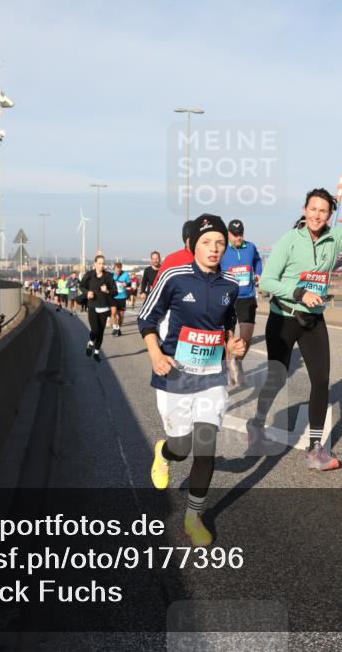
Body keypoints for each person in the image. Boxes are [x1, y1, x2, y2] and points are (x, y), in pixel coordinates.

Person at [246, 188, 342, 465]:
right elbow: (268, 281)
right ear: (304, 210)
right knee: (278, 378)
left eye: (323, 211)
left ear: (330, 215)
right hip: (284, 317)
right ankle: (257, 423)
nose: (317, 215)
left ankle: (315, 449)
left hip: (314, 319)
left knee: (320, 380)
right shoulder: (290, 240)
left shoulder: (336, 237)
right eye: (312, 209)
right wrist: (299, 293)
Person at [140, 214, 245, 546]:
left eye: (219, 243)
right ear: (193, 246)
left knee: (205, 448)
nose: (214, 249)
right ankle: (164, 452)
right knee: (182, 448)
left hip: (211, 377)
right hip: (175, 374)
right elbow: (147, 318)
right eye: (207, 242)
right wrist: (156, 355)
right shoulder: (174, 276)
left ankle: (193, 516)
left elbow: (227, 325)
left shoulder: (230, 284)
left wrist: (232, 344)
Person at [219, 219, 263, 386]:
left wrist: (258, 273)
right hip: (228, 298)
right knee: (226, 337)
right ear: (229, 234)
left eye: (241, 234)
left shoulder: (250, 247)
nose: (239, 238)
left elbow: (257, 261)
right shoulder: (222, 249)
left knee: (246, 337)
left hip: (247, 297)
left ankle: (237, 361)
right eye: (235, 235)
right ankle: (226, 366)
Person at [79, 255, 116, 363]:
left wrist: (107, 290)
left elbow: (115, 292)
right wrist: (87, 292)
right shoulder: (89, 275)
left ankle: (96, 353)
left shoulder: (109, 276)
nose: (101, 265)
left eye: (103, 263)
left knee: (101, 332)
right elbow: (81, 286)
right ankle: (90, 343)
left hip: (104, 307)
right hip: (92, 306)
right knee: (95, 329)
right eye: (99, 263)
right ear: (95, 264)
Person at [151, 221, 195, 288]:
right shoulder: (171, 260)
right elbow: (157, 286)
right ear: (185, 239)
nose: (194, 240)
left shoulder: (210, 259)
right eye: (191, 237)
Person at [110, 262, 131, 337]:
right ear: (114, 269)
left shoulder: (125, 274)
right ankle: (115, 327)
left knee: (121, 315)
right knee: (113, 313)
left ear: (121, 269)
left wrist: (126, 284)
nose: (117, 272)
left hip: (122, 296)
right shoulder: (111, 274)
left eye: (119, 271)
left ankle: (118, 328)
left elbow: (130, 283)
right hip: (113, 297)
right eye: (116, 270)